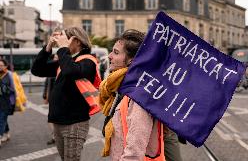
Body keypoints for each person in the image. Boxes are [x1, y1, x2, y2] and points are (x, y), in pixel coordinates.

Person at [31, 27, 99, 160]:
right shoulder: (66, 61)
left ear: (77, 41)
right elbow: (37, 70)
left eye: (66, 37)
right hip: (58, 121)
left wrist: (63, 48)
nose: (61, 40)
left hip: (75, 123)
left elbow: (71, 72)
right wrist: (48, 47)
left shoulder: (88, 61)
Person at [99, 29, 166, 161]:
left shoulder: (138, 95)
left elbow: (134, 153)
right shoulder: (122, 87)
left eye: (116, 52)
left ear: (131, 60)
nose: (109, 56)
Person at [0, 59, 15, 148]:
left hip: (6, 102)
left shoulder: (9, 75)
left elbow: (14, 89)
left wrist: (5, 88)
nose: (0, 67)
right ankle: (7, 132)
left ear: (6, 66)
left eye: (1, 65)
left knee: (1, 119)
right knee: (3, 119)